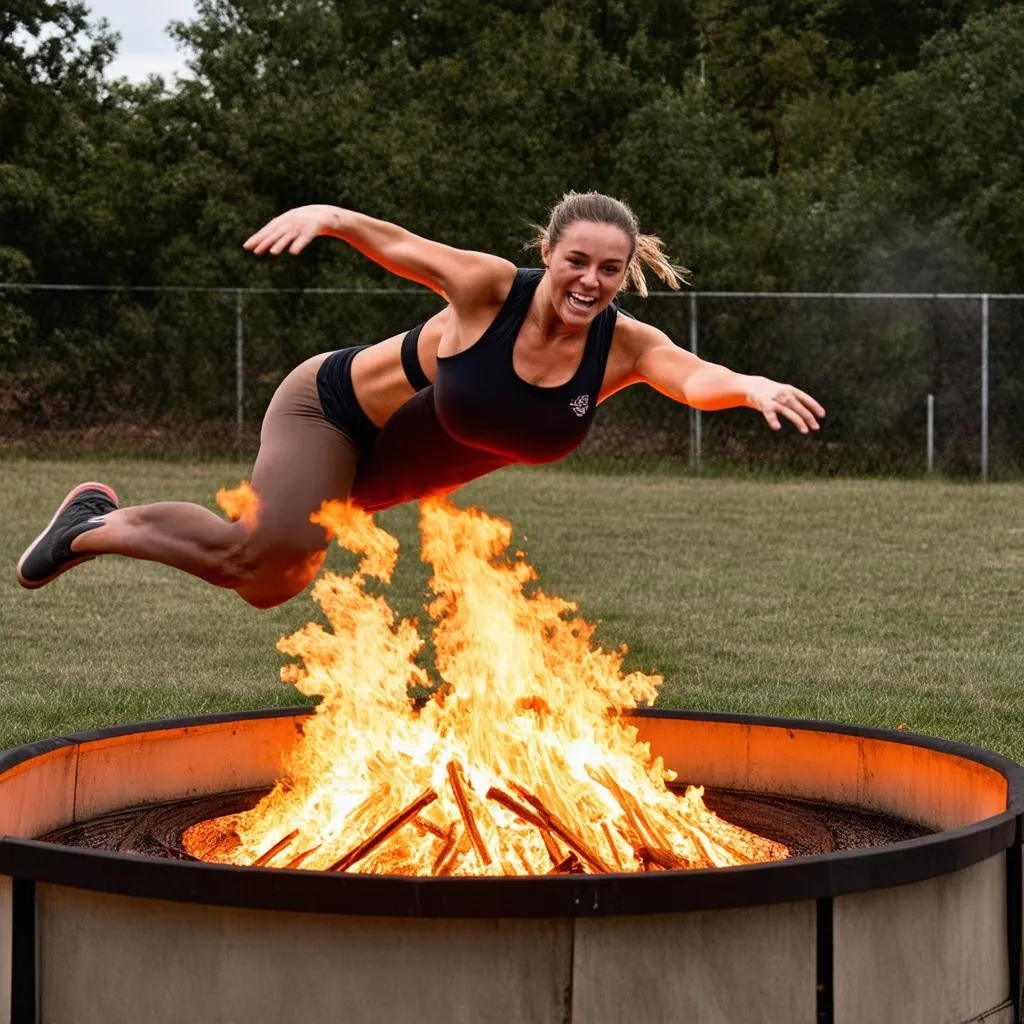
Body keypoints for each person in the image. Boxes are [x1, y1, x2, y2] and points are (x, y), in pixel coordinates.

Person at [16, 191, 824, 609]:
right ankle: (92, 526)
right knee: (261, 564)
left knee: (271, 580)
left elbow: (694, 377)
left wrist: (750, 387)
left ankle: (96, 519)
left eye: (610, 270)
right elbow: (400, 246)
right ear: (548, 253)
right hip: (333, 413)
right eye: (577, 260)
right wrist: (328, 218)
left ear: (625, 272)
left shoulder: (625, 348)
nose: (591, 281)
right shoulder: (489, 289)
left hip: (389, 475)